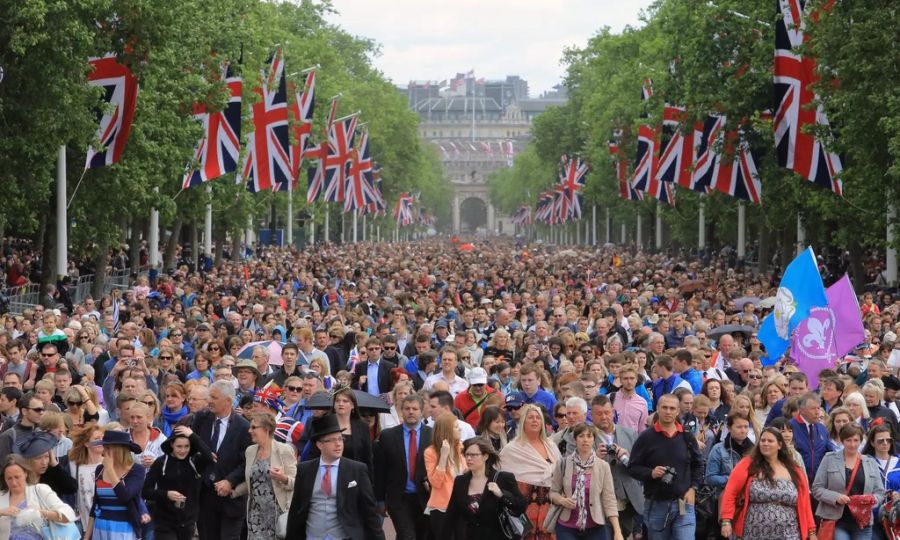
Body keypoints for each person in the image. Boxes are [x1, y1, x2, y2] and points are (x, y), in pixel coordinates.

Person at [284, 414, 385, 539]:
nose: (338, 444)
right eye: (332, 440)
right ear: (320, 445)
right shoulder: (305, 470)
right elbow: (296, 510)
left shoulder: (357, 470)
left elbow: (370, 512)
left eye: (340, 439)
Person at [627, 393, 703, 540]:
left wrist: (693, 488)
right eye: (664, 407)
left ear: (678, 411)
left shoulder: (687, 436)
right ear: (657, 409)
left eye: (672, 408)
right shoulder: (646, 437)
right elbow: (632, 468)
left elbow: (698, 465)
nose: (668, 411)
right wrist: (651, 473)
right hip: (656, 504)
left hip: (683, 503)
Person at [719, 427, 815, 540]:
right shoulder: (747, 464)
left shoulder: (794, 470)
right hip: (753, 532)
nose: (765, 443)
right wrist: (726, 520)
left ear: (779, 445)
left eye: (770, 441)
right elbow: (731, 491)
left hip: (789, 532)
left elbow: (805, 503)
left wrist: (811, 531)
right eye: (763, 440)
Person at [191, 380, 252, 540]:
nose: (209, 401)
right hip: (205, 496)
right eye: (209, 396)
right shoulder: (201, 418)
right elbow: (192, 448)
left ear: (228, 401)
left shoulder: (244, 427)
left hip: (230, 498)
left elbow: (246, 462)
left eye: (214, 397)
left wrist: (230, 481)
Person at [549, 422, 624, 540]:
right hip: (567, 526)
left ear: (594, 440)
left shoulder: (603, 466)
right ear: (575, 439)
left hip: (595, 526)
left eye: (589, 436)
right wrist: (561, 500)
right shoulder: (563, 463)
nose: (585, 440)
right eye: (581, 436)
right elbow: (553, 492)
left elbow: (609, 499)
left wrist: (617, 531)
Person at [442, 437, 527, 540]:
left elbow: (521, 506)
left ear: (485, 456)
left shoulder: (503, 478)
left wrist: (501, 494)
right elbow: (451, 514)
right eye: (467, 455)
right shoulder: (460, 481)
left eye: (473, 455)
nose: (468, 458)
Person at [499, 403, 562, 540]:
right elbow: (500, 474)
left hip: (550, 502)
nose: (535, 420)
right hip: (524, 503)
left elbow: (559, 472)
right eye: (531, 417)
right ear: (523, 422)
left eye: (538, 418)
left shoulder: (551, 446)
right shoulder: (512, 448)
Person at [374, 393, 432, 540]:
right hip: (398, 497)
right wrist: (380, 500)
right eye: (407, 408)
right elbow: (380, 469)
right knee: (407, 535)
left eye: (415, 409)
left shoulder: (432, 435)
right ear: (402, 410)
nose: (411, 412)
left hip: (424, 497)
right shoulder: (388, 436)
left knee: (421, 535)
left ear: (421, 411)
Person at [812, 424, 885, 540]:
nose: (852, 444)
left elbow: (880, 492)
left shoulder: (870, 462)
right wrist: (836, 497)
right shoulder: (829, 459)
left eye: (856, 440)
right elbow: (816, 488)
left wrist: (870, 500)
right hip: (836, 520)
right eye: (848, 440)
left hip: (863, 523)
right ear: (842, 441)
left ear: (861, 441)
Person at [231, 413, 296, 540]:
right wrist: (234, 492)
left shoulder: (284, 450)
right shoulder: (250, 451)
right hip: (255, 515)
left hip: (277, 514)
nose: (250, 431)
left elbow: (297, 483)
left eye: (254, 427)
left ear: (266, 429)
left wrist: (283, 478)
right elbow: (253, 480)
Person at [143, 425, 214, 540]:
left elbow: (209, 457)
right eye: (179, 446)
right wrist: (166, 494)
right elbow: (145, 491)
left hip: (188, 521)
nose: (183, 450)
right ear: (171, 445)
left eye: (187, 446)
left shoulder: (195, 461)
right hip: (164, 521)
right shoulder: (161, 463)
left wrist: (192, 435)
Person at [590, 394, 643, 540]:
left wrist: (627, 456)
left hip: (626, 500)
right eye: (599, 414)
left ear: (613, 412)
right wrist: (595, 458)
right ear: (591, 415)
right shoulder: (586, 435)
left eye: (607, 413)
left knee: (624, 535)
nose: (604, 417)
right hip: (598, 500)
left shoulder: (630, 433)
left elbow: (640, 465)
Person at [84, 430, 147, 540]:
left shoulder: (136, 470)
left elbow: (125, 496)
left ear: (119, 449)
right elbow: (95, 506)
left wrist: (110, 470)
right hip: (101, 529)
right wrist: (86, 537)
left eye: (108, 448)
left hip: (124, 530)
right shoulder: (99, 469)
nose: (104, 452)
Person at [300, 386, 373, 478]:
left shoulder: (362, 426)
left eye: (345, 401)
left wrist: (369, 482)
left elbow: (367, 457)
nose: (340, 404)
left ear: (353, 405)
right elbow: (314, 454)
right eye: (337, 401)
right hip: (328, 476)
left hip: (355, 477)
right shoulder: (324, 422)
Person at [0, 454, 77, 539]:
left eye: (17, 477)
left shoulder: (40, 490)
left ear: (25, 473)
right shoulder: (1, 497)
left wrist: (41, 513)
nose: (14, 482)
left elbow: (68, 514)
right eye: (9, 478)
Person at [425, 412, 467, 538]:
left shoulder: (461, 447)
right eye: (455, 426)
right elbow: (435, 482)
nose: (459, 428)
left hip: (462, 505)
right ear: (446, 430)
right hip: (442, 507)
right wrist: (443, 456)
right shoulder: (430, 452)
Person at [791, 392, 837, 480]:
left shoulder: (822, 429)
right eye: (813, 408)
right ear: (802, 410)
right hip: (797, 479)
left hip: (819, 480)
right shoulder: (790, 427)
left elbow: (831, 452)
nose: (817, 412)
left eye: (818, 408)